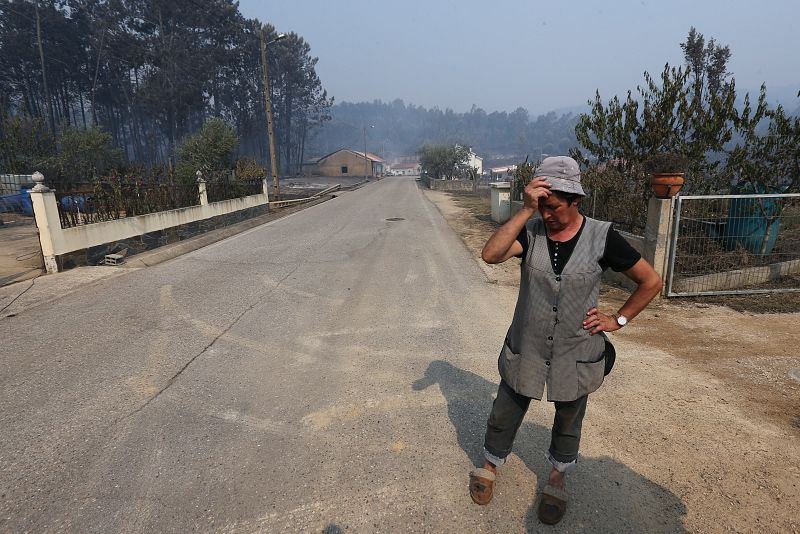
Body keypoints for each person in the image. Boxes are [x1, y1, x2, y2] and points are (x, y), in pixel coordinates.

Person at [468, 156, 662, 525]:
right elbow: (490, 255)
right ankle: (490, 464)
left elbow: (650, 281)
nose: (548, 214)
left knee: (570, 417)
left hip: (577, 348)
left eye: (552, 206)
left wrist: (617, 319)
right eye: (541, 205)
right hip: (527, 344)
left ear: (576, 201)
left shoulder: (603, 237)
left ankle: (557, 479)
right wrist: (526, 211)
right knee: (506, 406)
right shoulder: (532, 230)